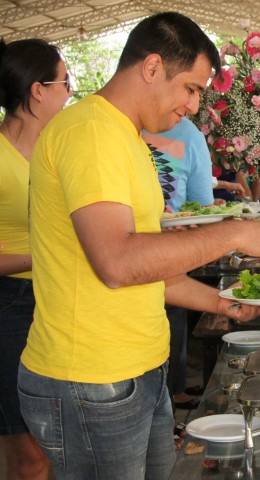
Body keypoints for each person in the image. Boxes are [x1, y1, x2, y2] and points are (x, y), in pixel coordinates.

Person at [18, 12, 260, 479]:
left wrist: (224, 303)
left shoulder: (127, 136)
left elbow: (147, 268)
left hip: (137, 370)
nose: (194, 104)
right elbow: (118, 263)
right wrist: (235, 232)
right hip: (92, 378)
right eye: (191, 88)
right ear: (151, 67)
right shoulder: (91, 133)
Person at [0, 38, 72, 480]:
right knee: (30, 458)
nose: (70, 94)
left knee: (57, 450)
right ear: (37, 90)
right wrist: (42, 255)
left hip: (57, 304)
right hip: (10, 307)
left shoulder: (58, 150)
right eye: (65, 82)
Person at [142, 116, 213, 412]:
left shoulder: (190, 135)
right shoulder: (111, 128)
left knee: (172, 326)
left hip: (171, 262)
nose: (193, 104)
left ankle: (171, 397)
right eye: (190, 88)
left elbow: (202, 206)